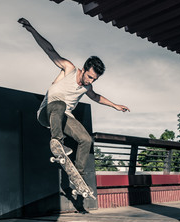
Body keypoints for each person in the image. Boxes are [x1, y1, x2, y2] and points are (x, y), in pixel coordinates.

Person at [18, 17, 130, 176]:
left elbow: (96, 96)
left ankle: (78, 174)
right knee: (59, 105)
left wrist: (115, 105)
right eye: (89, 77)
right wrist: (32, 30)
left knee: (86, 140)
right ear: (83, 69)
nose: (90, 81)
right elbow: (50, 51)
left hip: (64, 117)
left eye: (94, 79)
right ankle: (57, 142)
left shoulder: (88, 87)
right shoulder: (69, 69)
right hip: (46, 113)